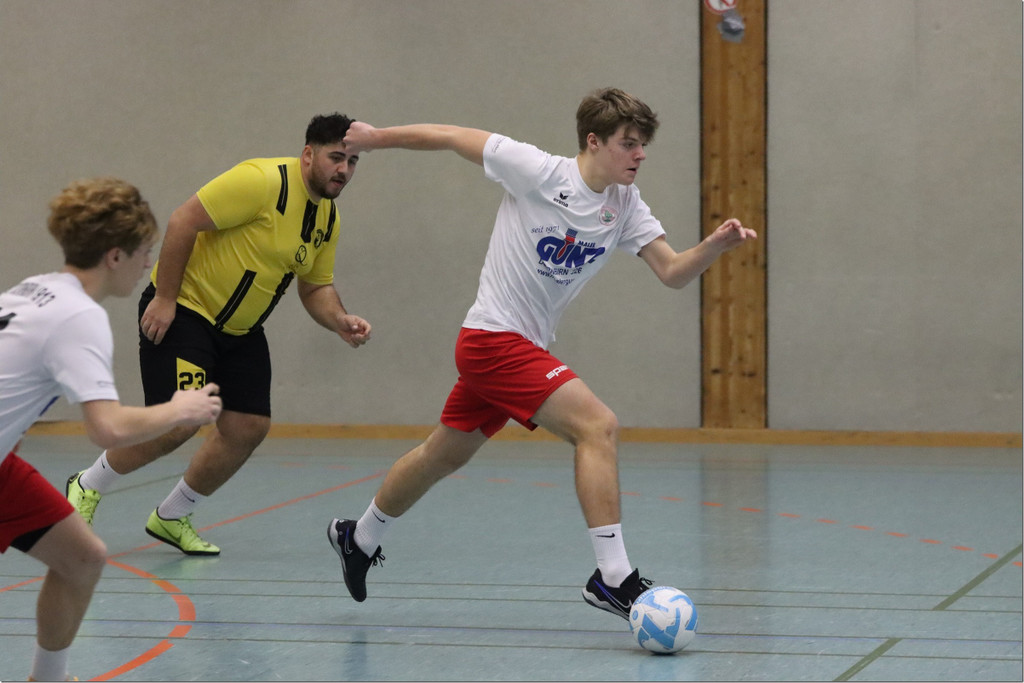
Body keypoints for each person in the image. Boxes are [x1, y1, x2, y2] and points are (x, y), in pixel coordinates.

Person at [326, 87, 757, 619]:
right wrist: (375, 138)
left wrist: (714, 246)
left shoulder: (624, 204)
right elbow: (450, 136)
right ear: (594, 142)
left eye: (643, 144)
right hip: (492, 340)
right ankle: (613, 577)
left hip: (519, 347)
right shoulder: (537, 171)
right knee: (597, 426)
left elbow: (671, 271)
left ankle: (359, 537)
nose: (640, 154)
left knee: (442, 455)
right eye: (629, 143)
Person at [66, 113, 371, 556]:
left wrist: (339, 319)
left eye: (353, 161)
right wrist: (165, 298)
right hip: (186, 311)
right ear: (308, 154)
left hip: (241, 332)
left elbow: (315, 287)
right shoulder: (261, 181)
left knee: (248, 427)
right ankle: (87, 484)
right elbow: (183, 221)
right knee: (179, 422)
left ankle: (172, 515)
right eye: (336, 157)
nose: (344, 169)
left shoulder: (327, 219)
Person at [0, 177, 223, 682]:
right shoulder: (79, 315)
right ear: (115, 256)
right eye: (145, 252)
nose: (149, 264)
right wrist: (179, 409)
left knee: (82, 557)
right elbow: (108, 428)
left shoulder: (34, 287)